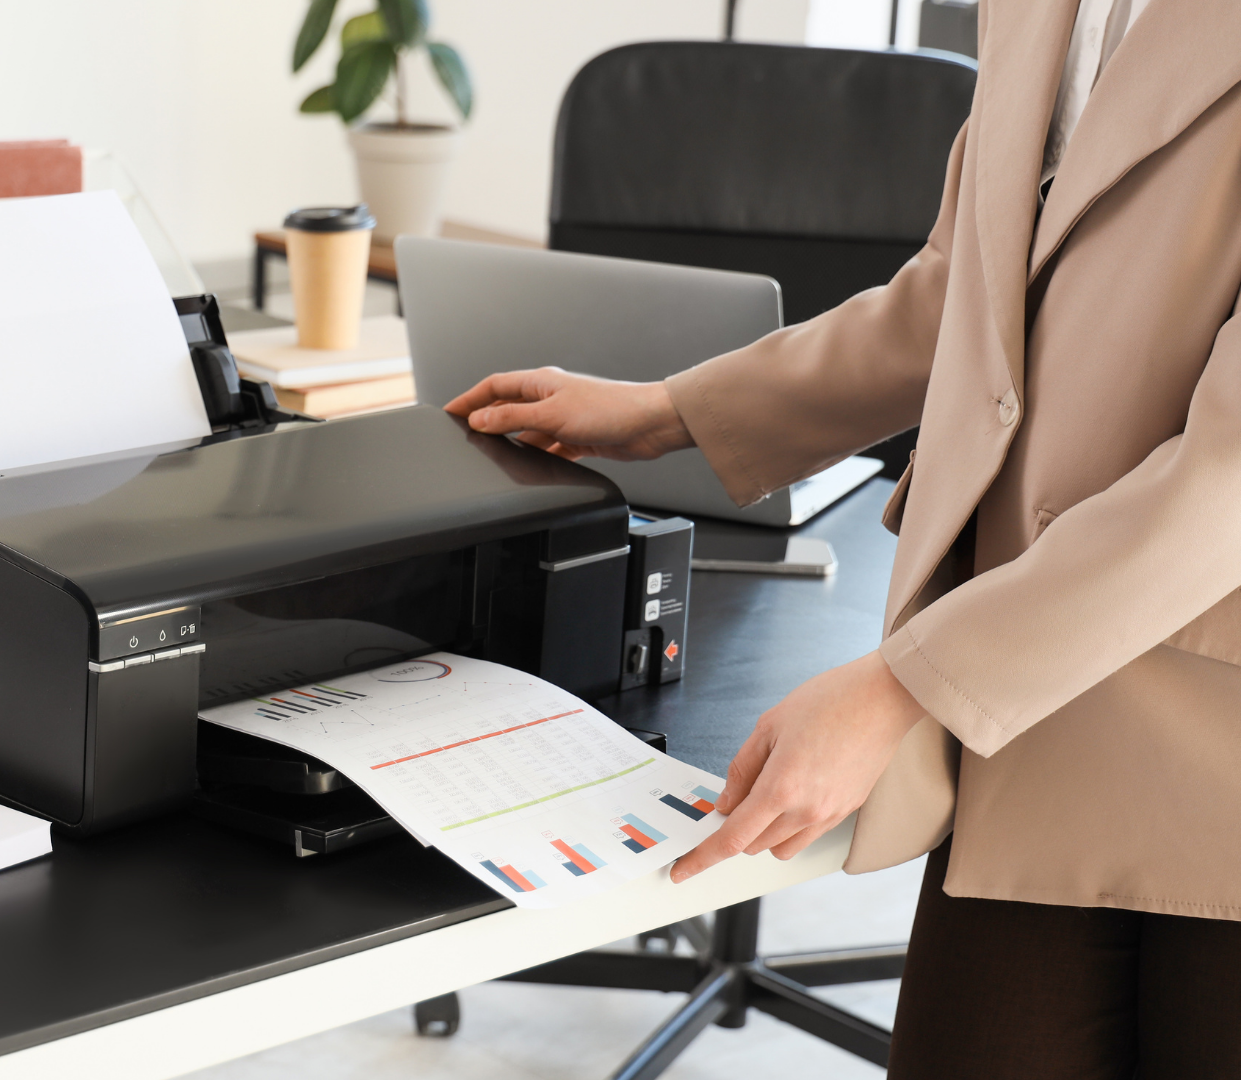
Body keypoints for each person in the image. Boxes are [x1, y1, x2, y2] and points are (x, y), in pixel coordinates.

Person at [445, 1, 1241, 1075]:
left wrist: (902, 686)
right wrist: (671, 412)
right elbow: (965, 290)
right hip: (1027, 720)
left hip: (1207, 745)